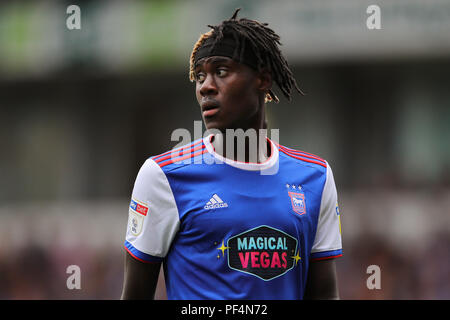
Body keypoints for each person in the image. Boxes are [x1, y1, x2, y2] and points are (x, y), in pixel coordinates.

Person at [121, 9, 342, 300]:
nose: (206, 87)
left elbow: (324, 293)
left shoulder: (315, 177)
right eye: (200, 76)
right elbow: (136, 294)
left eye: (221, 72)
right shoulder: (163, 175)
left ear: (262, 80)